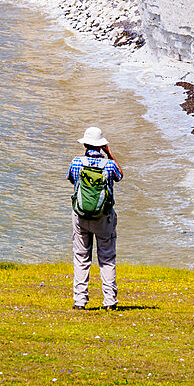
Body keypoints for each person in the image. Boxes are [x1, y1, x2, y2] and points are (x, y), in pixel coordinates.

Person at [66, 125, 123, 311]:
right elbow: (120, 176)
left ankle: (80, 301)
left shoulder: (76, 163)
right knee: (107, 257)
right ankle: (109, 301)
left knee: (81, 257)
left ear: (85, 145)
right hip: (104, 217)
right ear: (101, 146)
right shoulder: (109, 165)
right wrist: (110, 154)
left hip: (81, 216)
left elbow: (72, 181)